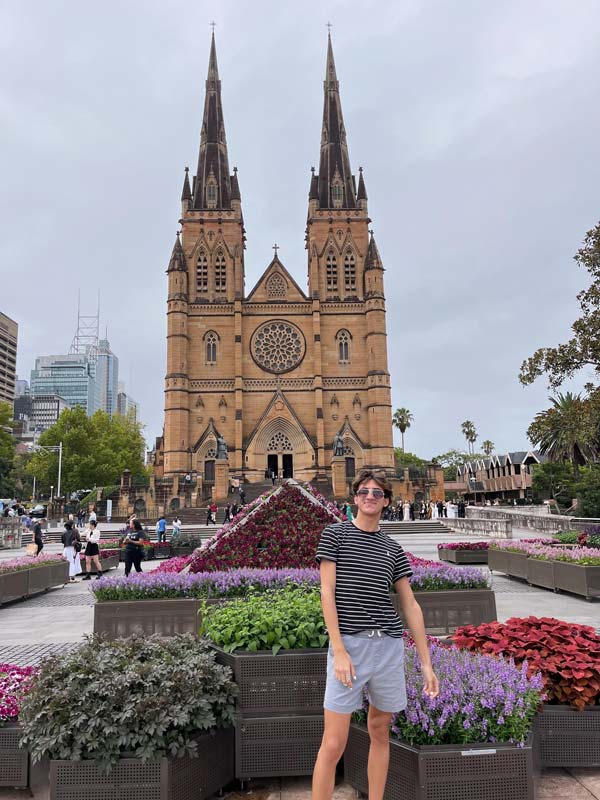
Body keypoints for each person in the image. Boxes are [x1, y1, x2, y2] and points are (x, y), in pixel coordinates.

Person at [312, 469, 439, 800]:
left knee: (380, 730)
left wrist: (426, 663)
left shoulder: (393, 549)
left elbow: (410, 605)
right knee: (334, 742)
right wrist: (339, 650)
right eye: (364, 491)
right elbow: (326, 592)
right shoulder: (335, 535)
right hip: (350, 646)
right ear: (355, 498)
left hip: (387, 646)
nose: (370, 496)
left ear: (386, 501)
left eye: (377, 493)